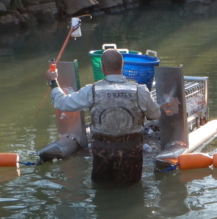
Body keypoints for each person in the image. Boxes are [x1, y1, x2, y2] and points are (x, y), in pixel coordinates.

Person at [45, 49, 165, 184]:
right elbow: (155, 115)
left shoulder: (92, 90)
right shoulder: (140, 90)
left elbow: (61, 102)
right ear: (123, 65)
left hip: (103, 155)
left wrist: (53, 81)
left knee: (102, 187)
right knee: (131, 188)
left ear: (102, 67)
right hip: (131, 156)